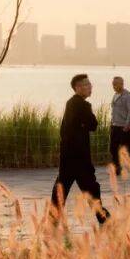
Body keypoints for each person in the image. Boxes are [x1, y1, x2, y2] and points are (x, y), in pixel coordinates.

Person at [51, 74, 109, 224]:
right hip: (79, 156)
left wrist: (83, 125)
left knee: (62, 186)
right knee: (90, 187)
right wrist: (84, 125)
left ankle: (53, 219)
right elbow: (94, 125)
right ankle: (103, 216)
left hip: (68, 155)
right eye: (86, 85)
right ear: (77, 87)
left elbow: (66, 130)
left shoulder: (71, 103)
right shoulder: (82, 105)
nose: (90, 87)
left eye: (90, 84)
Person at [108, 76, 130, 173]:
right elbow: (114, 111)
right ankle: (117, 167)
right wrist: (111, 123)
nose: (114, 86)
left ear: (121, 84)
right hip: (114, 126)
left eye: (115, 84)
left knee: (126, 147)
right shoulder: (115, 95)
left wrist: (127, 125)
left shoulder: (128, 95)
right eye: (113, 84)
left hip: (123, 126)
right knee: (113, 148)